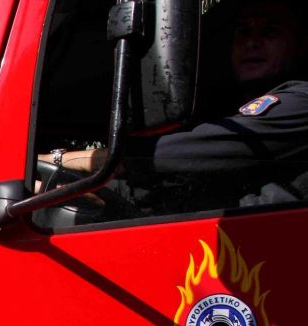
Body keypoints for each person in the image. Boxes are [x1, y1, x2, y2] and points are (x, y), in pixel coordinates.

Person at [43, 0, 308, 208]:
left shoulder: (301, 102)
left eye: (270, 31)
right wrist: (66, 190)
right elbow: (167, 185)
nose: (252, 42)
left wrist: (63, 160)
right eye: (243, 31)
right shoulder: (218, 106)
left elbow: (185, 153)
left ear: (301, 46)